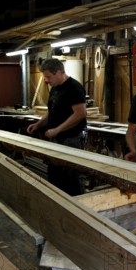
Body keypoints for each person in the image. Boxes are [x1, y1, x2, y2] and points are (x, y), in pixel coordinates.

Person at [27, 58, 87, 195]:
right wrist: (38, 124)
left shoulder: (74, 88)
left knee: (71, 177)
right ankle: (59, 203)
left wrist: (57, 130)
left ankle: (77, 207)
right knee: (55, 175)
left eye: (48, 76)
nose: (46, 80)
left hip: (71, 140)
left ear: (59, 72)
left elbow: (80, 113)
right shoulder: (55, 89)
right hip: (57, 139)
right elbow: (52, 110)